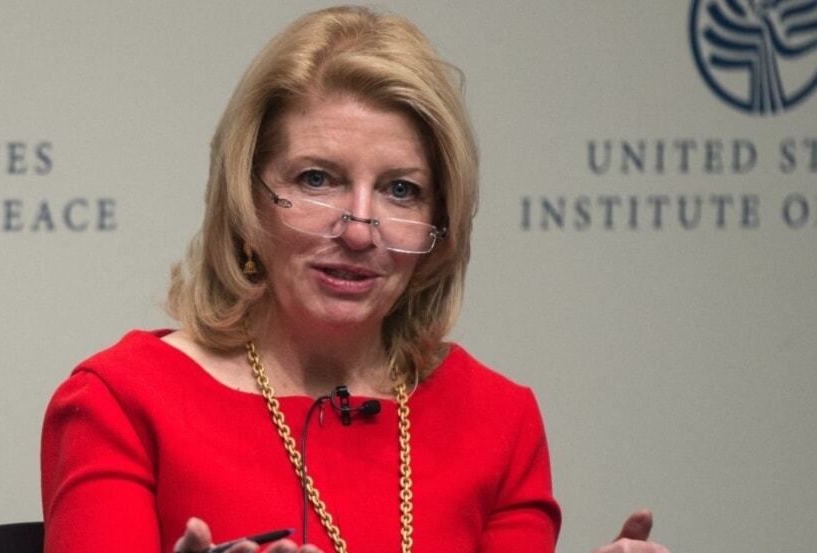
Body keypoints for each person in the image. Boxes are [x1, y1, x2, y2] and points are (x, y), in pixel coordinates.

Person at [40, 6, 671, 553]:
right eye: (318, 179)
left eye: (402, 190)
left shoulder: (498, 423)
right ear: (247, 198)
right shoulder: (119, 403)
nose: (361, 229)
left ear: (439, 224)